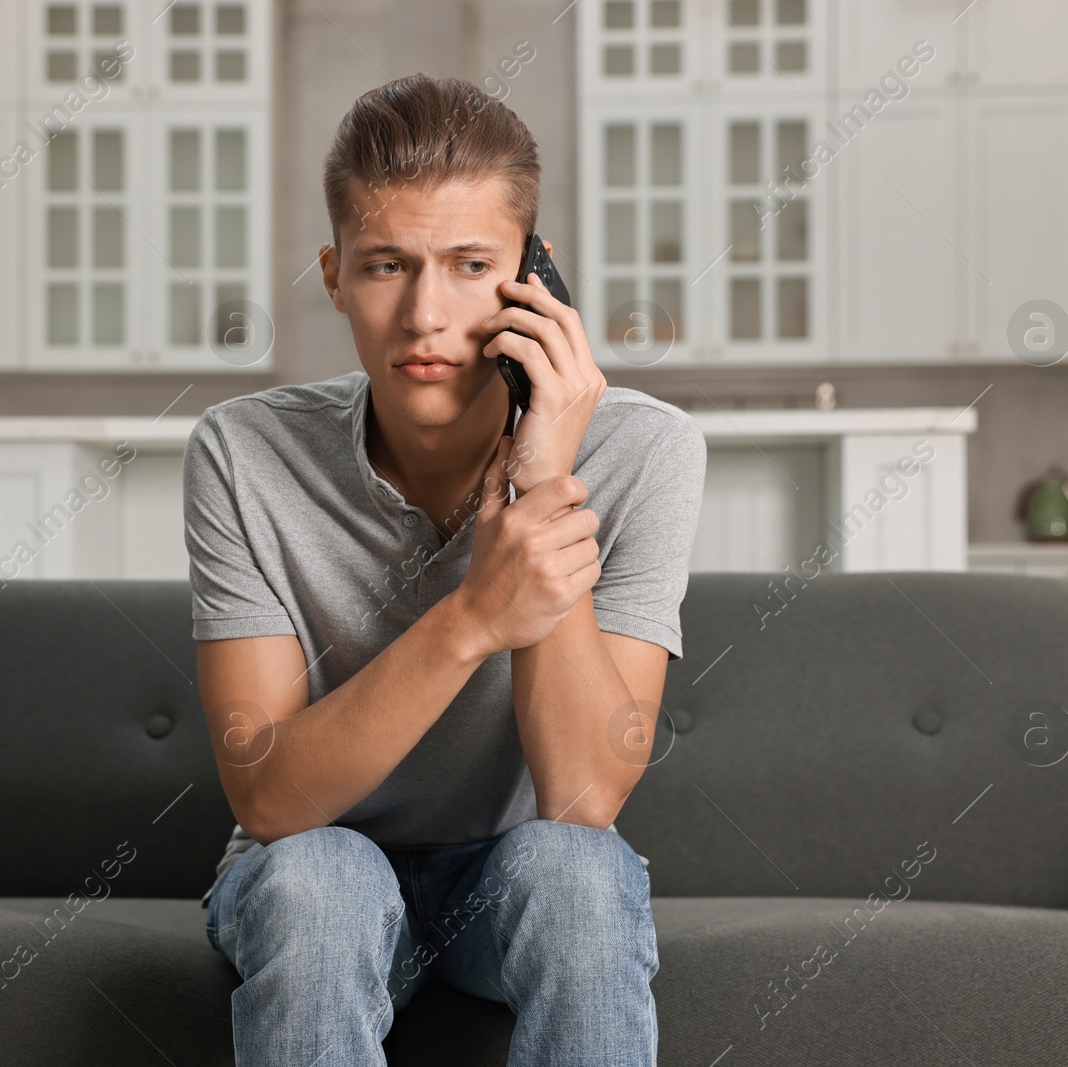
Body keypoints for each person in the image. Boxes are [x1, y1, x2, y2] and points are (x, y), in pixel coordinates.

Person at [186, 71, 706, 1066]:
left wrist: (542, 468)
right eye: (387, 265)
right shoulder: (240, 450)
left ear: (533, 277)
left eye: (471, 264)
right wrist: (473, 615)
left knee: (577, 872)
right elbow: (270, 800)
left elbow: (583, 794)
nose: (426, 313)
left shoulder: (644, 450)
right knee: (321, 878)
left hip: (509, 876)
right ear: (335, 275)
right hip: (313, 865)